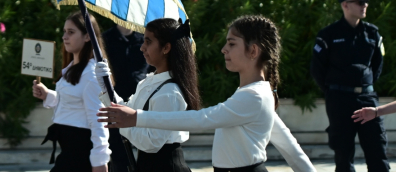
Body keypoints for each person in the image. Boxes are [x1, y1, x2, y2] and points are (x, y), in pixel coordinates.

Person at [99, 15, 315, 172]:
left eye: (231, 43)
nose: (223, 49)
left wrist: (137, 118)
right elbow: (290, 147)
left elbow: (202, 119)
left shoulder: (254, 96)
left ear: (253, 50)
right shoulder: (254, 93)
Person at [96, 18, 201, 172]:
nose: (142, 48)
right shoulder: (149, 82)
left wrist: (123, 123)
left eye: (148, 42)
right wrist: (106, 88)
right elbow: (127, 110)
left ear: (166, 48)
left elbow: (152, 142)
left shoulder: (170, 92)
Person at [311, 0, 388, 172]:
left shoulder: (372, 33)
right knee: (343, 156)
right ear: (345, 5)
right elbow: (317, 69)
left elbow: (377, 65)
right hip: (339, 100)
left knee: (377, 151)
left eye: (366, 2)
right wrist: (332, 92)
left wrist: (365, 86)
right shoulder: (328, 35)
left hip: (367, 99)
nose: (365, 5)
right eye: (360, 2)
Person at [32, 11, 111, 172]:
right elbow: (74, 103)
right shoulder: (72, 69)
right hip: (69, 152)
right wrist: (48, 95)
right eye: (64, 31)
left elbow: (98, 121)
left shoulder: (90, 75)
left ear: (87, 36)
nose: (64, 37)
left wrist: (99, 162)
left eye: (71, 32)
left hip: (81, 154)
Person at [102, 21, 150, 172]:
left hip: (141, 100)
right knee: (118, 150)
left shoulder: (144, 38)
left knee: (146, 150)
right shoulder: (106, 39)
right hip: (115, 100)